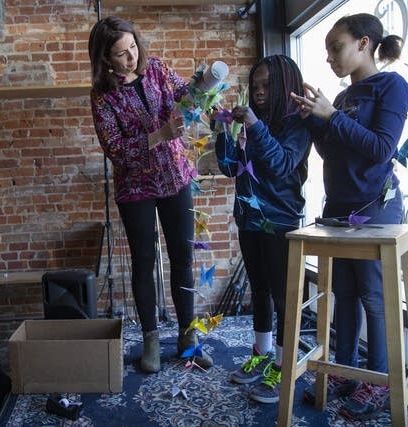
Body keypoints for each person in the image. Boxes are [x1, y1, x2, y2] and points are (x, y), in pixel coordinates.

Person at [290, 13, 408, 421]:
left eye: (336, 47)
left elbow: (381, 149)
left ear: (364, 44)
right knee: (344, 294)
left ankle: (378, 381)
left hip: (376, 210)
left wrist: (333, 118)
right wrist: (316, 121)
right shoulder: (341, 98)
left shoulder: (391, 86)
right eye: (326, 51)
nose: (330, 58)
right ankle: (346, 372)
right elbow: (334, 152)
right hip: (339, 212)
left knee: (375, 299)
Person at [88, 16, 213, 374]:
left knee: (183, 259)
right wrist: (159, 134)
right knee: (145, 263)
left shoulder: (157, 68)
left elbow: (183, 97)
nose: (131, 57)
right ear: (105, 59)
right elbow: (115, 149)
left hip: (176, 177)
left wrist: (201, 86)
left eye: (133, 47)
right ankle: (151, 340)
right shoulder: (102, 96)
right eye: (120, 54)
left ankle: (188, 339)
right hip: (135, 187)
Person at [214, 54, 311, 403]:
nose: (258, 92)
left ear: (286, 84)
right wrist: (223, 130)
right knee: (259, 290)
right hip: (248, 218)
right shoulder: (254, 124)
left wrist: (254, 125)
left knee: (284, 297)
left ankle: (284, 369)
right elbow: (228, 168)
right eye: (255, 86)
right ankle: (263, 354)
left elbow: (282, 166)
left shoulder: (298, 123)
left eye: (267, 85)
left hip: (280, 220)